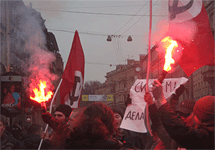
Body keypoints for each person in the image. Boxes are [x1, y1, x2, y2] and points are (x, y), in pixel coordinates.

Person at [152, 79, 214, 149]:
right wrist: (151, 104)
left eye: (186, 114)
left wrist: (161, 100)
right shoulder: (176, 138)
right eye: (179, 114)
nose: (182, 118)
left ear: (196, 117)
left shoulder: (207, 137)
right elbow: (160, 126)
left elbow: (180, 130)